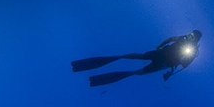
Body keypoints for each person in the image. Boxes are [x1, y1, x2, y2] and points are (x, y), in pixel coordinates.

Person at [71, 30, 202, 87]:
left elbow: (185, 65)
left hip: (165, 62)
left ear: (196, 40)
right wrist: (160, 46)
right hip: (161, 54)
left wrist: (190, 56)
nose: (190, 37)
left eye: (193, 37)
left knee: (139, 72)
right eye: (191, 34)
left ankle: (98, 79)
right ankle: (119, 57)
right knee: (140, 56)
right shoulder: (182, 38)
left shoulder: (193, 51)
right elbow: (170, 39)